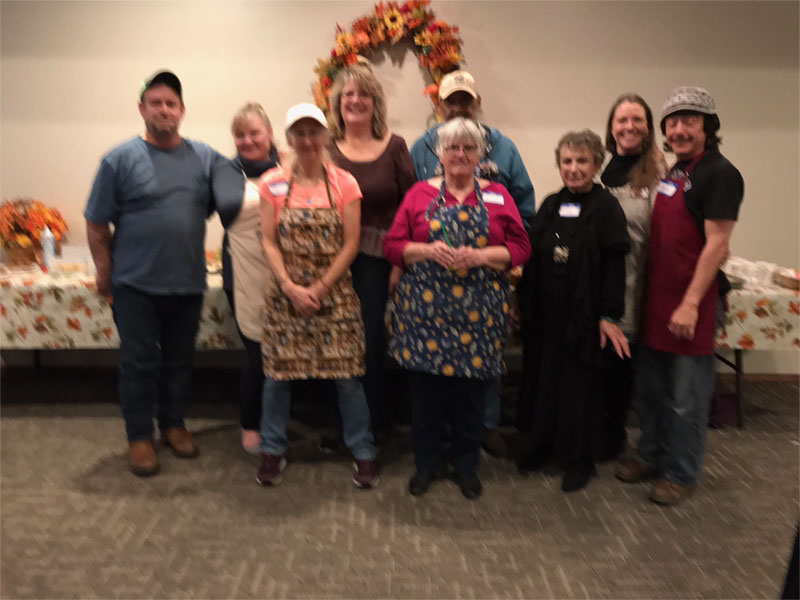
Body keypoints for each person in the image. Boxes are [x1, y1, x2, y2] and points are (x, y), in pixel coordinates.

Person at [85, 70, 240, 476]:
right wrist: (105, 273)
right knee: (138, 364)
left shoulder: (205, 158)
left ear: (183, 111)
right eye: (156, 103)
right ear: (142, 109)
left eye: (171, 103)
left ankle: (173, 424)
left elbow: (245, 174)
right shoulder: (119, 160)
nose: (164, 109)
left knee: (179, 361)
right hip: (135, 285)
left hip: (186, 283)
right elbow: (97, 223)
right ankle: (139, 437)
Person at [384, 117, 530, 500]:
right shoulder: (418, 194)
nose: (460, 154)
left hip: (479, 314)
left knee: (470, 399)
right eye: (453, 148)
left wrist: (481, 256)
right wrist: (425, 250)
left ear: (481, 155)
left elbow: (521, 247)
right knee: (427, 397)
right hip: (425, 313)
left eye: (468, 148)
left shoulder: (498, 194)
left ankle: (466, 466)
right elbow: (393, 244)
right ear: (440, 154)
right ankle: (426, 464)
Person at [616, 86, 743, 505]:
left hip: (693, 304)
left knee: (687, 400)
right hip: (658, 302)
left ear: (708, 126)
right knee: (651, 390)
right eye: (673, 122)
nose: (680, 129)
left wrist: (690, 303)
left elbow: (718, 244)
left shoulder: (719, 173)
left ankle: (682, 472)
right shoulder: (674, 172)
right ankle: (651, 453)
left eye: (690, 120)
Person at [409, 70, 537, 457]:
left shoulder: (504, 148)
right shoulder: (422, 149)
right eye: (452, 102)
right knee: (434, 359)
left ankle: (484, 427)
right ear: (440, 106)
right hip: (433, 281)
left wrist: (503, 259)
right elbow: (409, 206)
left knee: (485, 358)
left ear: (477, 103)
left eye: (466, 100)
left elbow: (524, 211)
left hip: (485, 280)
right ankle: (444, 432)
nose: (459, 107)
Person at [256, 102, 378, 489]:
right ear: (289, 139)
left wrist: (320, 288)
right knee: (277, 378)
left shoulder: (344, 183)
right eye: (299, 133)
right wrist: (290, 287)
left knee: (347, 378)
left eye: (314, 132)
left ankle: (363, 451)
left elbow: (352, 242)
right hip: (286, 296)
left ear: (325, 137)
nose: (307, 140)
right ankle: (272, 449)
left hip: (335, 295)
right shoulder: (272, 183)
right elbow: (268, 240)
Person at [517, 130, 631, 493]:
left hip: (585, 315)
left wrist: (610, 315)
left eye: (582, 161)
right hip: (547, 315)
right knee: (544, 382)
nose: (574, 168)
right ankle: (541, 446)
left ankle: (578, 459)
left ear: (597, 164)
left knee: (580, 389)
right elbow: (532, 257)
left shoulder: (607, 207)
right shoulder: (551, 204)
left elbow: (615, 266)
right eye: (567, 161)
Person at [327, 64, 417, 435]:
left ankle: (373, 426)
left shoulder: (394, 146)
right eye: (348, 93)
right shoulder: (326, 148)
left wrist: (399, 264)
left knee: (367, 340)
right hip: (332, 260)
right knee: (334, 338)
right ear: (338, 102)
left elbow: (412, 208)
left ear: (374, 102)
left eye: (363, 93)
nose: (355, 99)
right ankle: (340, 424)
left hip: (378, 261)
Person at [597, 94, 667, 460]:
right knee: (602, 364)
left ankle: (620, 436)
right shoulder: (601, 170)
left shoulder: (658, 174)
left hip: (636, 281)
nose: (629, 127)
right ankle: (601, 431)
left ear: (648, 126)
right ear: (611, 128)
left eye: (637, 120)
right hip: (601, 283)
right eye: (622, 120)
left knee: (625, 364)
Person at [217, 102, 279, 453]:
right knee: (258, 353)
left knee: (283, 352)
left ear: (269, 134)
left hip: (282, 272)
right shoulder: (226, 171)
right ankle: (252, 423)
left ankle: (278, 420)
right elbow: (227, 205)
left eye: (254, 132)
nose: (247, 140)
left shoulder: (290, 166)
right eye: (240, 134)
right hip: (241, 274)